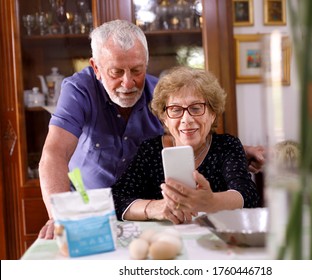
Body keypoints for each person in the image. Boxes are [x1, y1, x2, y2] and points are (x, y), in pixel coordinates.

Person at [38, 19, 264, 239]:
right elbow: (54, 153)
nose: (128, 83)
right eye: (116, 72)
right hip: (89, 205)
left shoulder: (160, 94)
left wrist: (236, 150)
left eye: (136, 70)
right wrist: (60, 216)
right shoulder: (79, 90)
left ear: (146, 64)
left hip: (158, 225)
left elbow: (190, 134)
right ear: (96, 68)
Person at [112, 66, 260, 224]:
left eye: (196, 108)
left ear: (212, 114)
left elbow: (248, 196)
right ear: (165, 118)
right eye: (175, 110)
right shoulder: (150, 150)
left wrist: (211, 202)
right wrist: (153, 207)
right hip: (167, 241)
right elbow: (117, 199)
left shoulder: (227, 146)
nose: (186, 119)